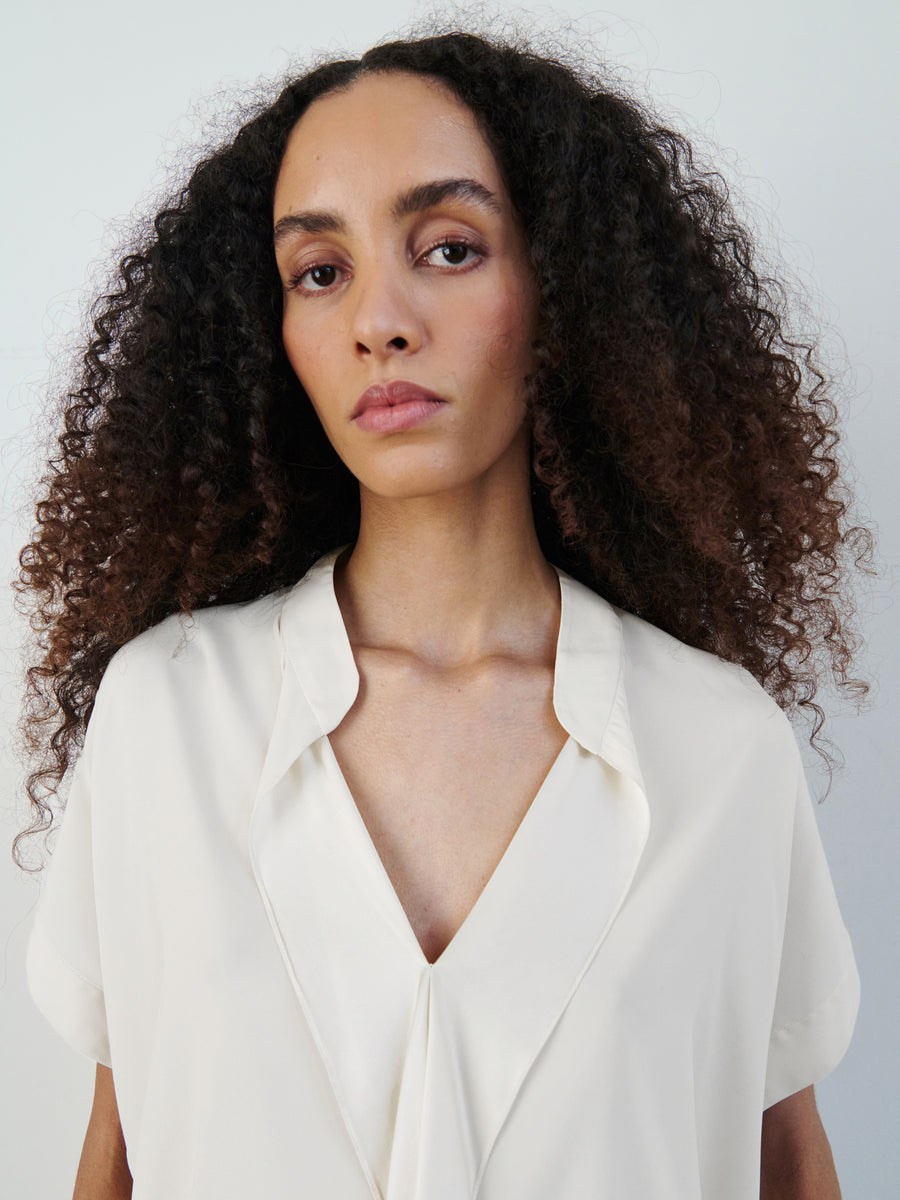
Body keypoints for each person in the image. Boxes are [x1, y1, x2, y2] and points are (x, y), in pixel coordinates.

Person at [17, 28, 868, 1200]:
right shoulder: (165, 716)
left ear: (567, 293)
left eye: (450, 249)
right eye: (321, 271)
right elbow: (116, 1159)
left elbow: (785, 1167)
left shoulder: (722, 754)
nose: (381, 320)